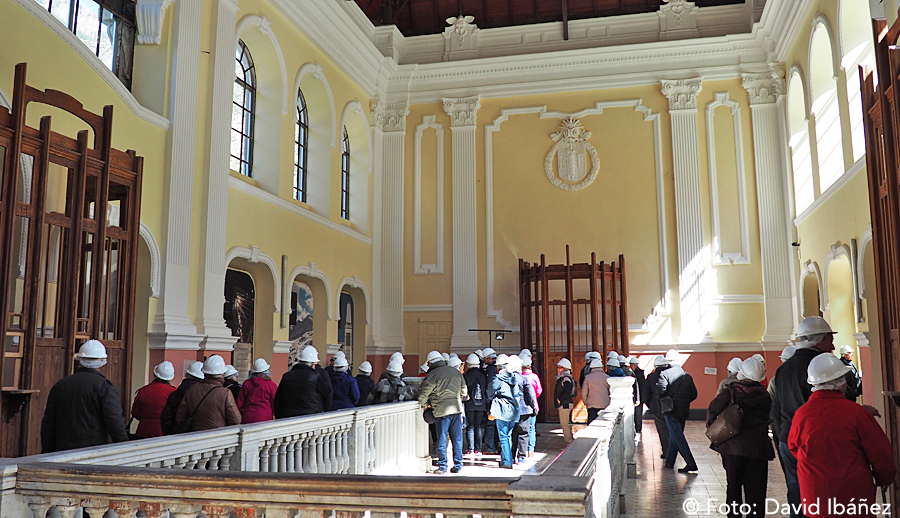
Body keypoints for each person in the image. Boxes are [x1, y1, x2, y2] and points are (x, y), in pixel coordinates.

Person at [789, 354, 896, 518]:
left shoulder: (801, 414)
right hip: (853, 495)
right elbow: (881, 453)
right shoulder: (856, 413)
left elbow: (794, 448)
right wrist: (884, 478)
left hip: (815, 496)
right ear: (839, 383)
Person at [771, 316, 836, 518]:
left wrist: (781, 437)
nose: (832, 345)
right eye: (828, 339)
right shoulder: (818, 366)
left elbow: (777, 408)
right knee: (818, 489)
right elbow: (825, 404)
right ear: (818, 340)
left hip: (787, 437)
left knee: (796, 490)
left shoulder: (783, 369)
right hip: (811, 438)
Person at [707, 357, 775, 518]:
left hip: (732, 448)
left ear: (741, 373)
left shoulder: (730, 392)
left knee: (734, 486)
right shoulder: (765, 396)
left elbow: (712, 413)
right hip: (758, 449)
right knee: (756, 490)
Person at [41, 340, 128, 453]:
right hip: (92, 452)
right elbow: (115, 422)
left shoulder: (60, 385)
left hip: (61, 452)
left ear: (79, 361)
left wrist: (47, 452)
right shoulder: (105, 388)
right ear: (103, 362)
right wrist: (125, 448)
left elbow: (48, 424)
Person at [418, 350, 468, 474]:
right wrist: (457, 399)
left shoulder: (433, 375)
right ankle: (458, 465)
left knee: (442, 439)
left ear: (430, 363)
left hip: (441, 411)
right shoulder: (455, 372)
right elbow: (464, 391)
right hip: (456, 409)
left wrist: (426, 405)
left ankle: (442, 466)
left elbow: (422, 395)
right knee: (457, 439)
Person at [656, 349, 698, 473]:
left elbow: (660, 391)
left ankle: (691, 463)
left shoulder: (665, 374)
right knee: (676, 435)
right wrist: (684, 402)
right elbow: (694, 394)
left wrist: (666, 400)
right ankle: (669, 462)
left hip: (671, 410)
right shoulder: (687, 376)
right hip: (684, 410)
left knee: (678, 437)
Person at [174, 355, 241, 432]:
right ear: (222, 375)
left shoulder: (192, 390)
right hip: (216, 437)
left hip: (194, 435)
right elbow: (236, 420)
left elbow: (180, 416)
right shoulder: (225, 393)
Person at [274, 346, 333, 417]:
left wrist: (279, 416)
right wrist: (324, 410)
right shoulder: (317, 377)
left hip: (289, 417)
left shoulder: (287, 376)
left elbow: (278, 399)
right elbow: (328, 395)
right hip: (312, 415)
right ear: (313, 365)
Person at [131, 361, 177, 439]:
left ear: (155, 374)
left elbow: (135, 413)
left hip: (143, 432)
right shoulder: (173, 392)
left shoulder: (143, 390)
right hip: (164, 433)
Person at [489, 356, 521, 469]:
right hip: (514, 410)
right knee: (508, 436)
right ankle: (505, 459)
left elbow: (490, 391)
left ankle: (507, 461)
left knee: (503, 437)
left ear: (498, 366)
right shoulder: (513, 378)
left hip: (502, 410)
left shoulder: (498, 378)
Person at [161, 361, 204, 435]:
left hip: (176, 435)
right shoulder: (205, 395)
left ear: (187, 374)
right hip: (197, 437)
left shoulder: (174, 394)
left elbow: (166, 418)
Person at [509, 356, 537, 463]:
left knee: (513, 433)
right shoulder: (524, 379)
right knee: (524, 433)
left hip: (511, 409)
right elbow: (530, 394)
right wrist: (533, 406)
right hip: (524, 409)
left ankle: (511, 455)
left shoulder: (508, 378)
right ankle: (521, 455)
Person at [644, 355, 670, 459]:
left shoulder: (651, 377)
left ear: (655, 366)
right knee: (671, 430)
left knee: (662, 431)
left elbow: (645, 394)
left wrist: (651, 405)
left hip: (656, 407)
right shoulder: (670, 374)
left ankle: (666, 451)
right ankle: (673, 451)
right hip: (670, 406)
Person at [236, 358, 278, 424]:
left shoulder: (246, 383)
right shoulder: (270, 385)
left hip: (247, 418)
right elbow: (275, 403)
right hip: (265, 418)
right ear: (265, 371)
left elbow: (239, 403)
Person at [463, 353, 487, 455]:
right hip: (481, 404)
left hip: (469, 404)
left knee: (470, 427)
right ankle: (479, 449)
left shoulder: (466, 376)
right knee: (478, 427)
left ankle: (471, 449)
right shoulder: (483, 375)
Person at [522, 356, 543, 455]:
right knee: (532, 428)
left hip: (522, 407)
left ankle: (523, 449)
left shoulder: (519, 376)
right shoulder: (534, 377)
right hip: (533, 406)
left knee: (522, 429)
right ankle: (531, 449)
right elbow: (539, 390)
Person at [554, 358, 577, 443]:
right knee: (565, 423)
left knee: (564, 424)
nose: (557, 369)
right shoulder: (565, 378)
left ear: (565, 368)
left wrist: (560, 399)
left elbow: (568, 392)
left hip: (565, 403)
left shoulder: (565, 379)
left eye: (559, 367)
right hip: (565, 403)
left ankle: (568, 442)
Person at [582, 358, 611, 424]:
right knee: (603, 423)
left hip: (591, 404)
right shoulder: (607, 377)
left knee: (592, 423)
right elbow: (610, 391)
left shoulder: (588, 377)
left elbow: (584, 392)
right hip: (605, 404)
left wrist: (586, 402)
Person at [629, 356, 645, 434]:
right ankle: (637, 427)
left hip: (638, 396)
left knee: (638, 413)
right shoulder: (637, 373)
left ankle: (638, 428)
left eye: (631, 365)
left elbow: (640, 386)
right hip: (637, 396)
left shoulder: (638, 373)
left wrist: (639, 398)